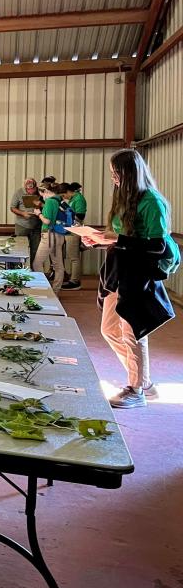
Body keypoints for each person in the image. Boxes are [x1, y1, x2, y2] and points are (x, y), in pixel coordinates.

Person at [93, 149, 178, 408]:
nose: (113, 178)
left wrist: (116, 240)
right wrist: (98, 239)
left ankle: (136, 388)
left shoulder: (151, 201)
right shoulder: (124, 198)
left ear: (129, 173)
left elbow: (156, 246)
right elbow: (120, 236)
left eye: (116, 173)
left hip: (138, 276)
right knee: (109, 329)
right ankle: (145, 381)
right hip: (118, 272)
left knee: (133, 332)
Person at [32, 181, 70, 293]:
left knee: (37, 263)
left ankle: (44, 290)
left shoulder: (49, 202)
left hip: (49, 236)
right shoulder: (59, 200)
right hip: (59, 235)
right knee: (58, 265)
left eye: (42, 193)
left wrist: (38, 213)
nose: (42, 196)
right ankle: (55, 291)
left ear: (46, 191)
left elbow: (47, 221)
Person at [10, 177, 42, 268]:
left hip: (37, 225)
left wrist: (40, 205)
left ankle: (34, 270)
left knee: (36, 250)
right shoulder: (19, 192)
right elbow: (12, 207)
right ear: (25, 187)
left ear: (36, 187)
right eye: (28, 190)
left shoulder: (40, 192)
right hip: (22, 225)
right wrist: (23, 213)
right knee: (19, 248)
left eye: (33, 189)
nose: (30, 192)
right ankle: (17, 270)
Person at [61, 182, 87, 290]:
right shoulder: (73, 199)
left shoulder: (79, 199)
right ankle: (73, 279)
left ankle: (75, 281)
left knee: (74, 257)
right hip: (70, 229)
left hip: (74, 229)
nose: (64, 197)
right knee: (71, 256)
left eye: (63, 195)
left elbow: (80, 216)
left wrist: (64, 209)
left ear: (68, 192)